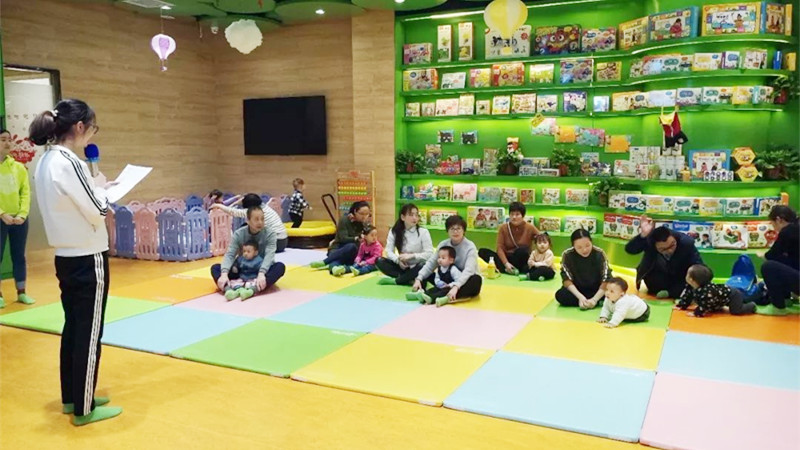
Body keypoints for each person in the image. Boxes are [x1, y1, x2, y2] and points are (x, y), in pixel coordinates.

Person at [30, 99, 121, 425]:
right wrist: (104, 189)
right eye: (92, 128)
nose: (92, 134)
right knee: (89, 333)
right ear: (80, 127)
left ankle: (72, 397)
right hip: (87, 256)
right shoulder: (70, 162)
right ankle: (84, 408)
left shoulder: (46, 160)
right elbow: (97, 210)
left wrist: (97, 189)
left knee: (74, 328)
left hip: (66, 256)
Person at [408, 215, 483, 306]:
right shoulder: (443, 245)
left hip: (464, 281)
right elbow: (431, 263)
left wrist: (456, 286)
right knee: (423, 267)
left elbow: (469, 270)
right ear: (447, 231)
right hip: (447, 279)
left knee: (476, 280)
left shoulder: (470, 247)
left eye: (458, 228)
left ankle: (434, 296)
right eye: (452, 229)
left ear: (464, 230)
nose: (455, 231)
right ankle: (423, 292)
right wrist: (418, 279)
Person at [212, 206, 286, 294]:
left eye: (262, 219)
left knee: (280, 267)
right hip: (242, 270)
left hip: (261, 269)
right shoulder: (239, 234)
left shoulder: (270, 234)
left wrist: (262, 273)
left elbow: (269, 255)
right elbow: (230, 254)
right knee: (215, 268)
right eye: (256, 219)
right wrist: (224, 274)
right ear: (248, 220)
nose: (260, 222)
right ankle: (227, 288)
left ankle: (255, 288)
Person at [625, 216, 702, 299]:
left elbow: (699, 267)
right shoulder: (650, 241)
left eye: (672, 245)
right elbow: (630, 250)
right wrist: (643, 235)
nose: (669, 251)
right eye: (663, 249)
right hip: (655, 284)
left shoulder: (686, 243)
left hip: (680, 284)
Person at [0, 129, 34, 307]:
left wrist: (22, 214)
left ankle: (21, 292)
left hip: (19, 220)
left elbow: (25, 192)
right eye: (2, 139)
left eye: (8, 139)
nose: (7, 143)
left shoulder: (19, 167)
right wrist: (2, 214)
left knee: (19, 256)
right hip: (1, 218)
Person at [757, 205, 800, 315]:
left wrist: (761, 255)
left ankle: (778, 306)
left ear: (778, 220)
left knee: (768, 267)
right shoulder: (796, 228)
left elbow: (771, 255)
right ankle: (786, 300)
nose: (774, 228)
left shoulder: (788, 231)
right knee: (783, 262)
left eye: (773, 224)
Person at [376, 203, 433, 286]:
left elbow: (429, 254)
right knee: (379, 261)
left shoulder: (423, 232)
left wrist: (412, 256)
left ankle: (398, 280)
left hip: (417, 267)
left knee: (423, 265)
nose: (415, 218)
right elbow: (388, 251)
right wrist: (398, 260)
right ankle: (408, 279)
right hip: (402, 266)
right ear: (403, 217)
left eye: (416, 215)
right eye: (411, 215)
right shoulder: (394, 231)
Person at [210, 193, 288, 252]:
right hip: (283, 241)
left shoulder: (255, 211)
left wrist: (218, 205)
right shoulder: (265, 207)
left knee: (247, 229)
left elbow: (233, 212)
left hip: (275, 244)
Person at [556, 229, 612, 309]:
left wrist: (595, 299)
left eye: (587, 245)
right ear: (573, 246)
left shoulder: (599, 253)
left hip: (597, 289)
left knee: (614, 290)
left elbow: (606, 278)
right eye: (579, 247)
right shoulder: (567, 255)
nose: (584, 250)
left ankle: (593, 301)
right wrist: (580, 297)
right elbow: (566, 279)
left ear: (591, 242)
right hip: (578, 289)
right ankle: (587, 302)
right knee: (560, 295)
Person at [478, 202, 539, 275]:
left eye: (517, 214)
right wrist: (506, 263)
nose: (514, 217)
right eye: (512, 214)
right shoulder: (503, 228)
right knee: (482, 251)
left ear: (523, 216)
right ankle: (507, 268)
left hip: (521, 259)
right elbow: (499, 247)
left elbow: (542, 239)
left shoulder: (530, 227)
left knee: (522, 251)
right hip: (507, 257)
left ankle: (505, 269)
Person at [677, 264, 756, 317]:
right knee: (713, 303)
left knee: (736, 311)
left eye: (687, 274)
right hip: (720, 298)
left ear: (691, 279)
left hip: (733, 295)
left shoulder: (707, 292)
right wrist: (682, 305)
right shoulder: (691, 286)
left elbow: (705, 305)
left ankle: (751, 306)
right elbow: (687, 296)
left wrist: (696, 313)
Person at [310, 201, 370, 270]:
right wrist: (356, 238)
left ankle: (334, 268)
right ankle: (325, 262)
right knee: (351, 246)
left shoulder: (364, 223)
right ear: (355, 211)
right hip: (338, 249)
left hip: (352, 253)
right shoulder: (345, 220)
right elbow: (343, 238)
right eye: (362, 214)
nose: (364, 217)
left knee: (353, 258)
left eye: (367, 214)